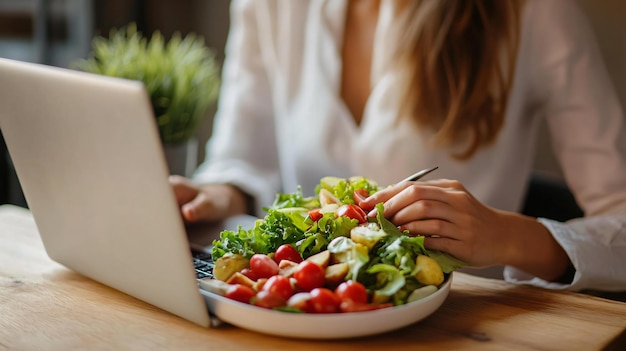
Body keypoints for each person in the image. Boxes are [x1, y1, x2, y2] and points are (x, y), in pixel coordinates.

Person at [169, 0, 626, 292]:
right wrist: (216, 193)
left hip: (462, 330)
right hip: (304, 314)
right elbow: (242, 158)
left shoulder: (537, 13)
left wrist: (507, 235)